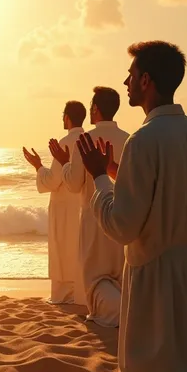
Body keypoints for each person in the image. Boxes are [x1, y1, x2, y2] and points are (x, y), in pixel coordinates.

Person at [78, 41, 187, 372]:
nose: (126, 82)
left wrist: (100, 178)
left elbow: (123, 225)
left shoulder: (144, 140)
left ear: (147, 81)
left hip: (157, 281)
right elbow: (171, 195)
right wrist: (119, 173)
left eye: (132, 74)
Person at [50, 87, 129, 327]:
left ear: (95, 109)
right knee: (118, 276)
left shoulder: (85, 140)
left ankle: (110, 313)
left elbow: (74, 184)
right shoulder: (129, 138)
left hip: (93, 217)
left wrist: (64, 163)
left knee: (95, 278)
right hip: (122, 217)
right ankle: (120, 308)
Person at [23, 100, 86, 305]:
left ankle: (62, 296)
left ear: (67, 117)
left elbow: (53, 180)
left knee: (62, 248)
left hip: (64, 206)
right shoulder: (89, 139)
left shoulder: (66, 142)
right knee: (78, 248)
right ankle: (81, 294)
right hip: (83, 204)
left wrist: (38, 166)